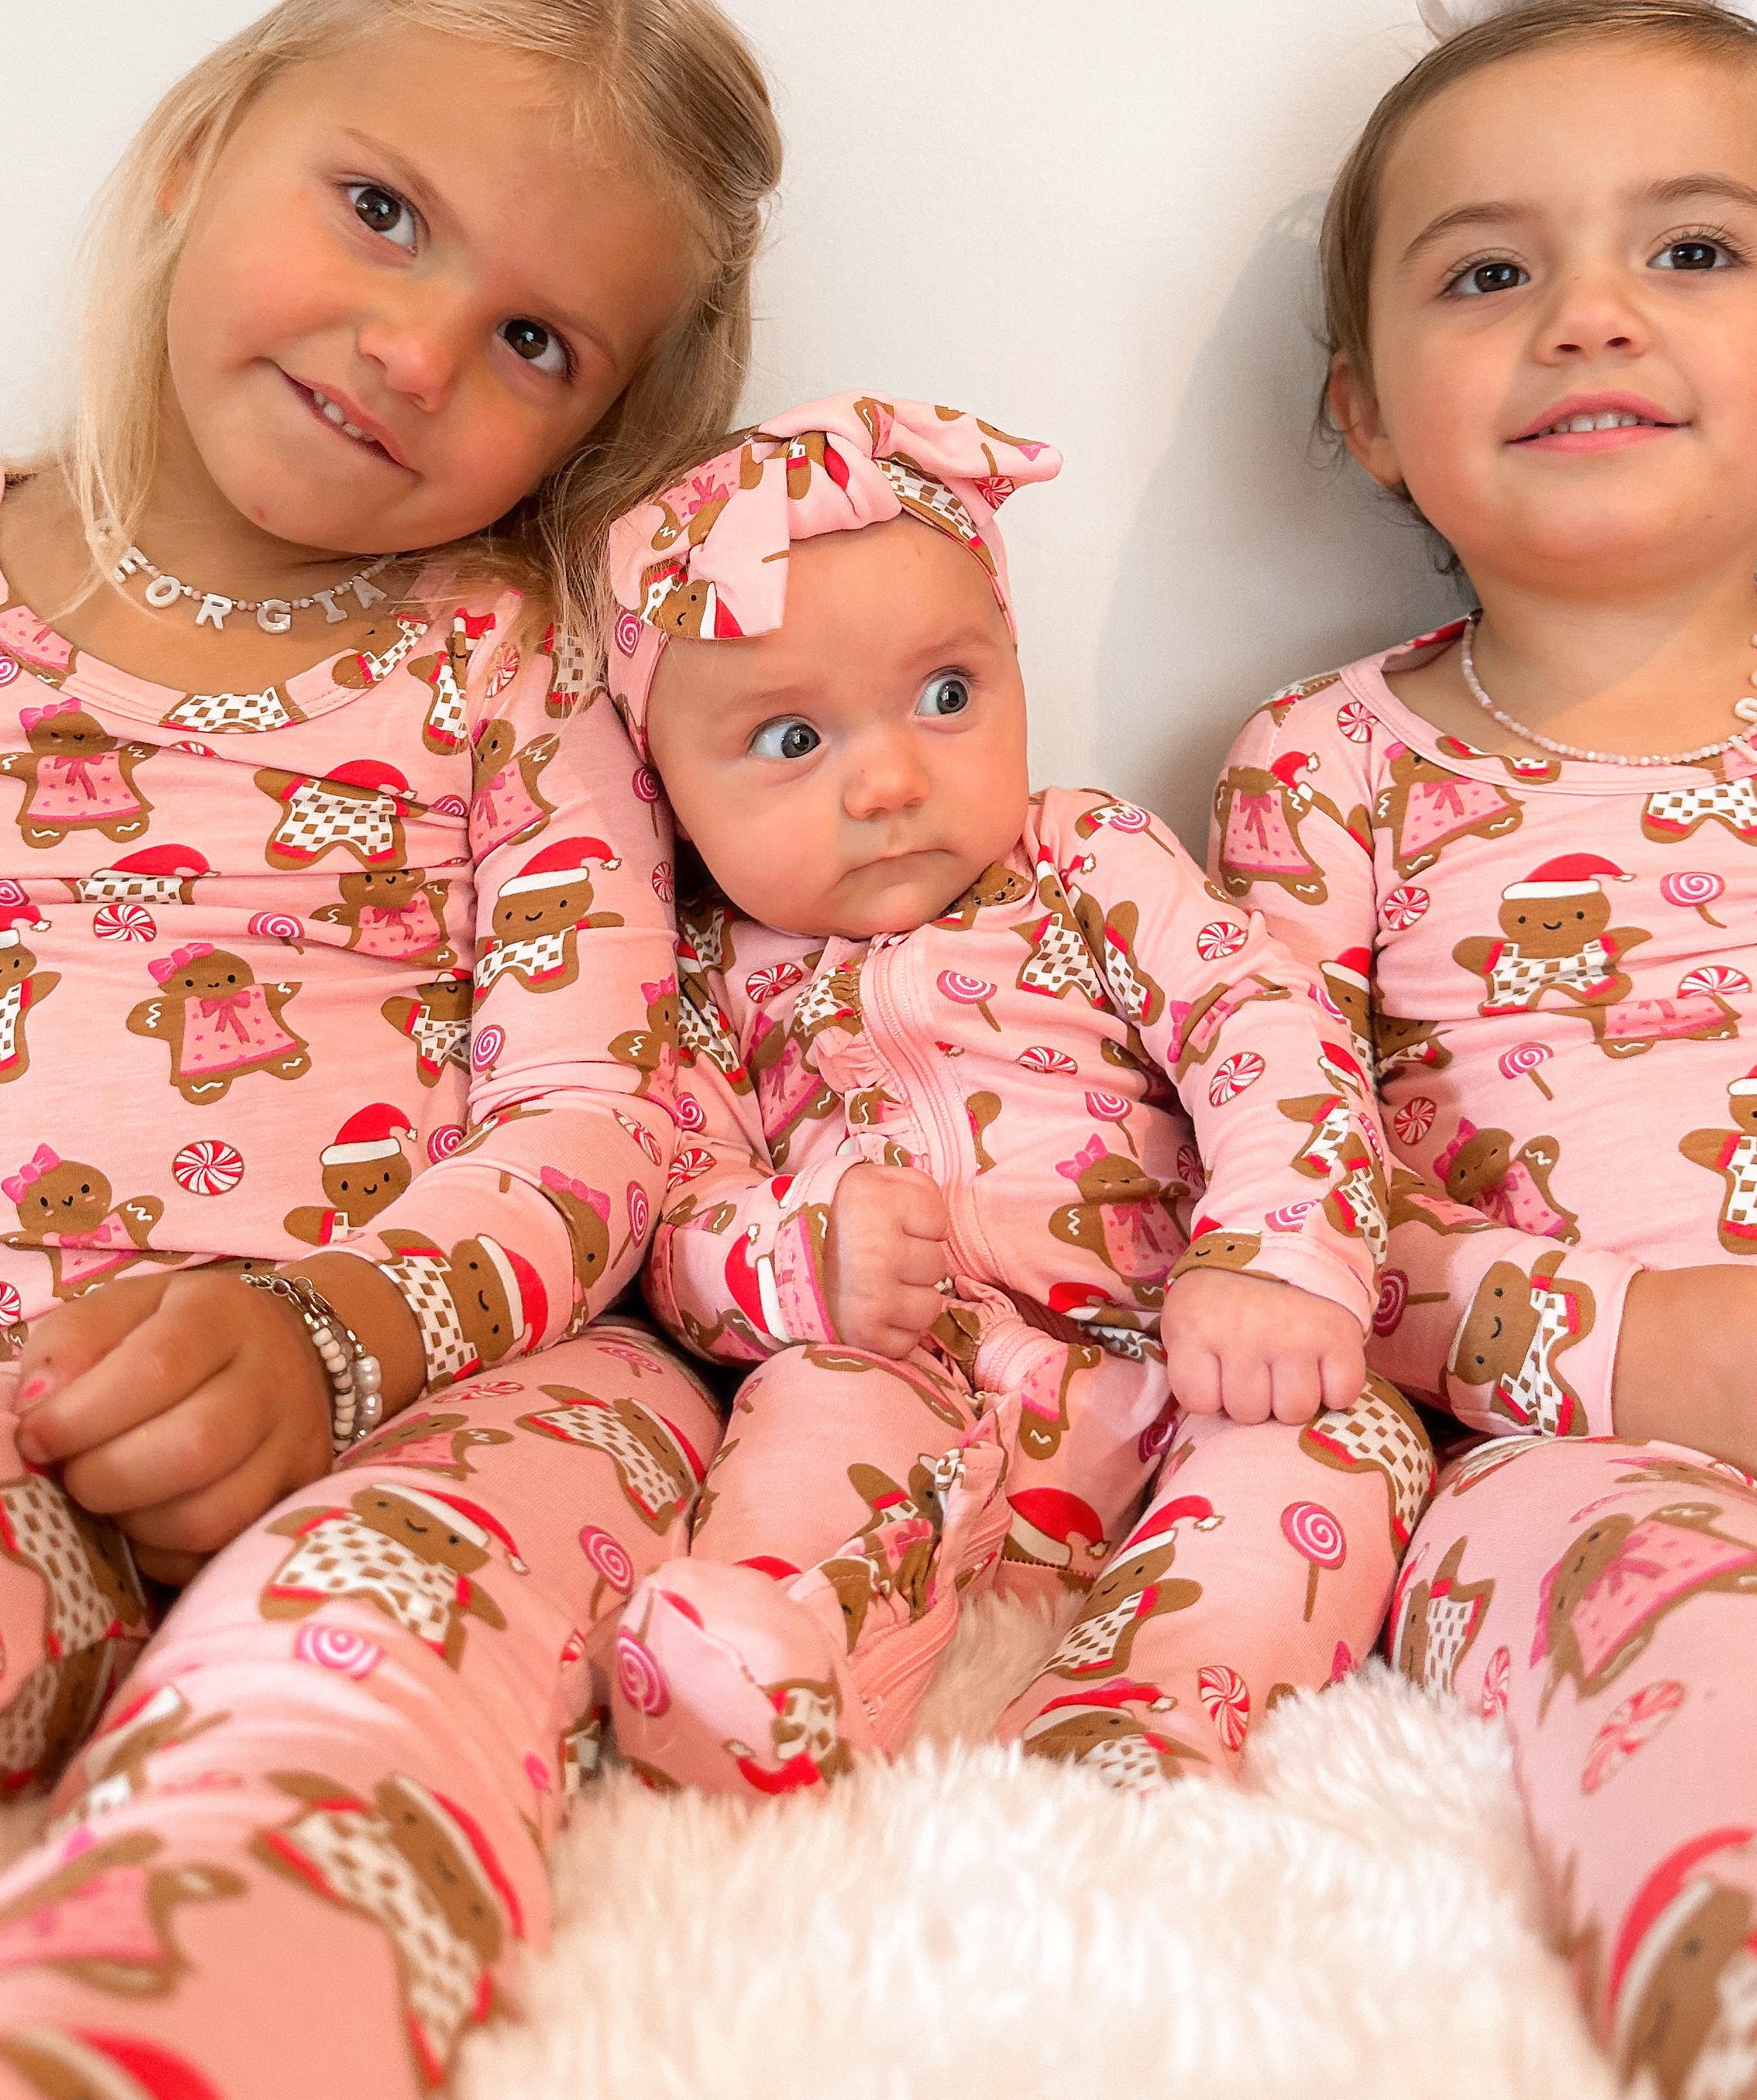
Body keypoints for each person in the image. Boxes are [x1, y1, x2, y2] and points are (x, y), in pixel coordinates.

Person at [0, 0, 779, 2100]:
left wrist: (331, 1346)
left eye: (540, 342)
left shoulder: (513, 660)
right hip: (46, 1408)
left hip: (482, 1406)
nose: (419, 352)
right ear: (193, 153)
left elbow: (597, 1116)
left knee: (334, 1709)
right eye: (378, 210)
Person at [1213, 0, 1757, 2096]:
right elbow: (1281, 1230)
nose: (1588, 313)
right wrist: (1635, 1348)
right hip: (1599, 1463)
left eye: (1692, 252)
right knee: (1714, 1698)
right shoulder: (1324, 767)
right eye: (1485, 272)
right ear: (1364, 417)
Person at [592, 394, 1434, 1795]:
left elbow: (1261, 1024)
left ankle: (1140, 1711)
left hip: (1182, 1363)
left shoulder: (1084, 862)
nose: (889, 780)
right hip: (909, 1374)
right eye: (791, 742)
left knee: (1335, 1445)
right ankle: (780, 1670)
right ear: (666, 788)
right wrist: (793, 1261)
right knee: (815, 1420)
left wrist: (1274, 1254)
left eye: (945, 698)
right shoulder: (694, 974)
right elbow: (664, 1217)